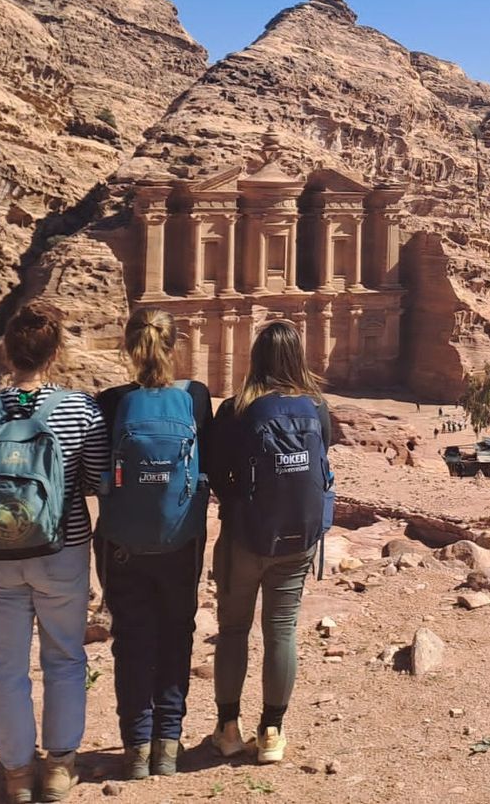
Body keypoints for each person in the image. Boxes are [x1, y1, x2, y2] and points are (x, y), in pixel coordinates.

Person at [0, 302, 108, 804]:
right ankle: (59, 768)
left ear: (7, 353)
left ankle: (17, 775)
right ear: (56, 353)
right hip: (62, 549)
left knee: (8, 668)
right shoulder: (81, 410)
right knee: (65, 658)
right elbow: (96, 480)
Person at [94, 308, 213, 781]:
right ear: (174, 344)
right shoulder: (196, 398)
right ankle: (168, 745)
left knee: (131, 640)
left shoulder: (111, 402)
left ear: (129, 346)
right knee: (177, 635)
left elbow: (96, 474)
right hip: (180, 540)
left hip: (123, 544)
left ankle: (136, 748)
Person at [209, 320, 332, 766]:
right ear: (298, 357)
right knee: (281, 630)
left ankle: (228, 729)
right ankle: (272, 732)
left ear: (256, 358)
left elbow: (216, 470)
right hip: (297, 540)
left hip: (244, 537)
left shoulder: (236, 409)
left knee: (233, 631)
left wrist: (238, 503)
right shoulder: (316, 407)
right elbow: (323, 462)